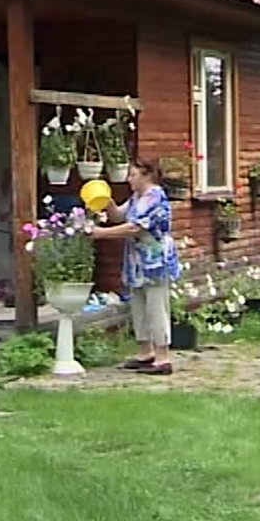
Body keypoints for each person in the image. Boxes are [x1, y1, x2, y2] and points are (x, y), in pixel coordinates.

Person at [88, 156, 181, 374]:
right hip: (136, 261)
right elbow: (120, 216)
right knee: (138, 305)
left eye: (133, 175)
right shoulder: (137, 197)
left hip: (154, 260)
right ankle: (145, 352)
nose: (129, 179)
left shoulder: (154, 196)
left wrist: (101, 234)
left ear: (147, 175)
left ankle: (163, 357)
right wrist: (107, 202)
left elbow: (134, 228)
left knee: (156, 307)